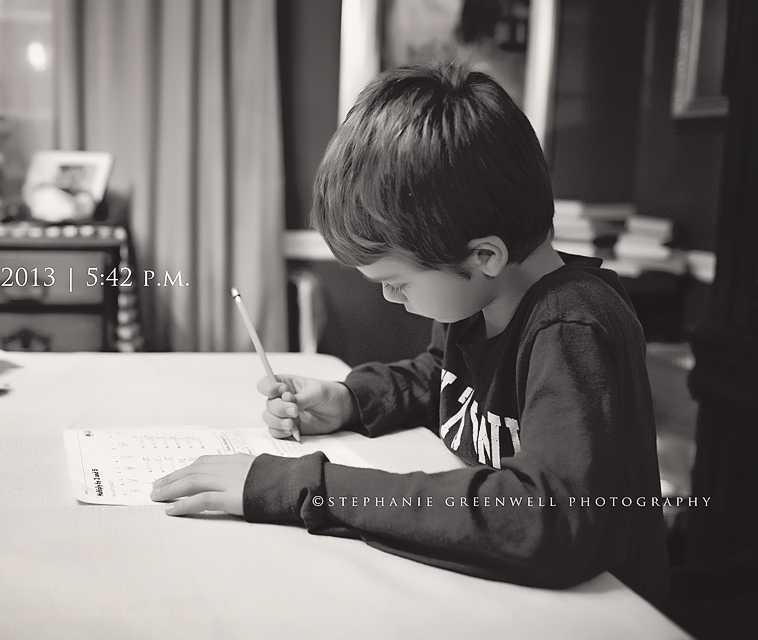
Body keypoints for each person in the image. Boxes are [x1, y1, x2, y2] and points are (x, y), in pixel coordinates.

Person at [150, 62, 670, 606]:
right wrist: (351, 400)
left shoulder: (571, 326)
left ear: (485, 255)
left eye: (396, 282)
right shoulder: (479, 298)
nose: (388, 298)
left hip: (605, 611)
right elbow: (441, 380)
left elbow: (543, 516)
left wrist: (303, 487)